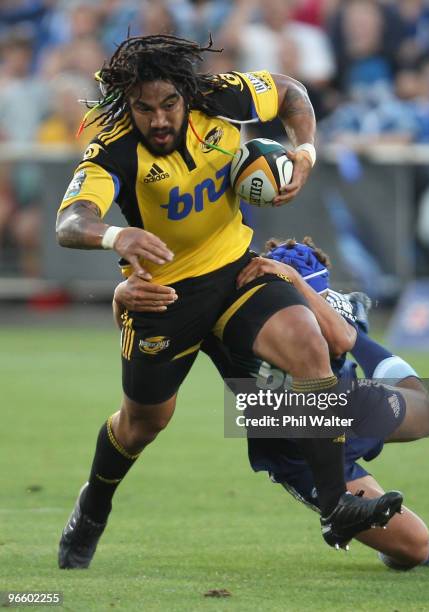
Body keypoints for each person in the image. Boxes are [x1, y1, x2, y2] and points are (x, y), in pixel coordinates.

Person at [56, 33, 403, 569]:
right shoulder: (115, 147)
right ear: (129, 105)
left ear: (186, 94)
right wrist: (114, 237)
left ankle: (337, 505)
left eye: (169, 104)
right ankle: (93, 506)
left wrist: (305, 153)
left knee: (308, 344)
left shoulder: (221, 97)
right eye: (144, 109)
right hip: (166, 297)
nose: (160, 119)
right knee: (143, 422)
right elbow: (70, 220)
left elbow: (291, 94)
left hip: (238, 269)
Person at [114, 237, 429, 569]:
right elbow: (143, 328)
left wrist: (299, 284)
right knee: (415, 548)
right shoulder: (232, 314)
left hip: (350, 408)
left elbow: (344, 341)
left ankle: (377, 347)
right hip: (290, 444)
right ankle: (421, 547)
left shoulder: (325, 310)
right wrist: (122, 296)